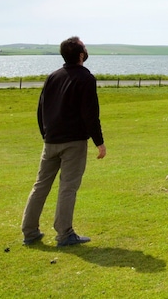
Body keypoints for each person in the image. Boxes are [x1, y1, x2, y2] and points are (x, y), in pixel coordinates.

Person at [21, 36, 106, 247]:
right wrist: (99, 142)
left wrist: (46, 134)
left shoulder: (53, 76)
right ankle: (64, 233)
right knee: (68, 187)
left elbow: (40, 109)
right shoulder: (86, 78)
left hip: (50, 141)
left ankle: (29, 231)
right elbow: (90, 114)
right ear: (80, 55)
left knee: (40, 185)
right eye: (84, 48)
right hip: (73, 142)